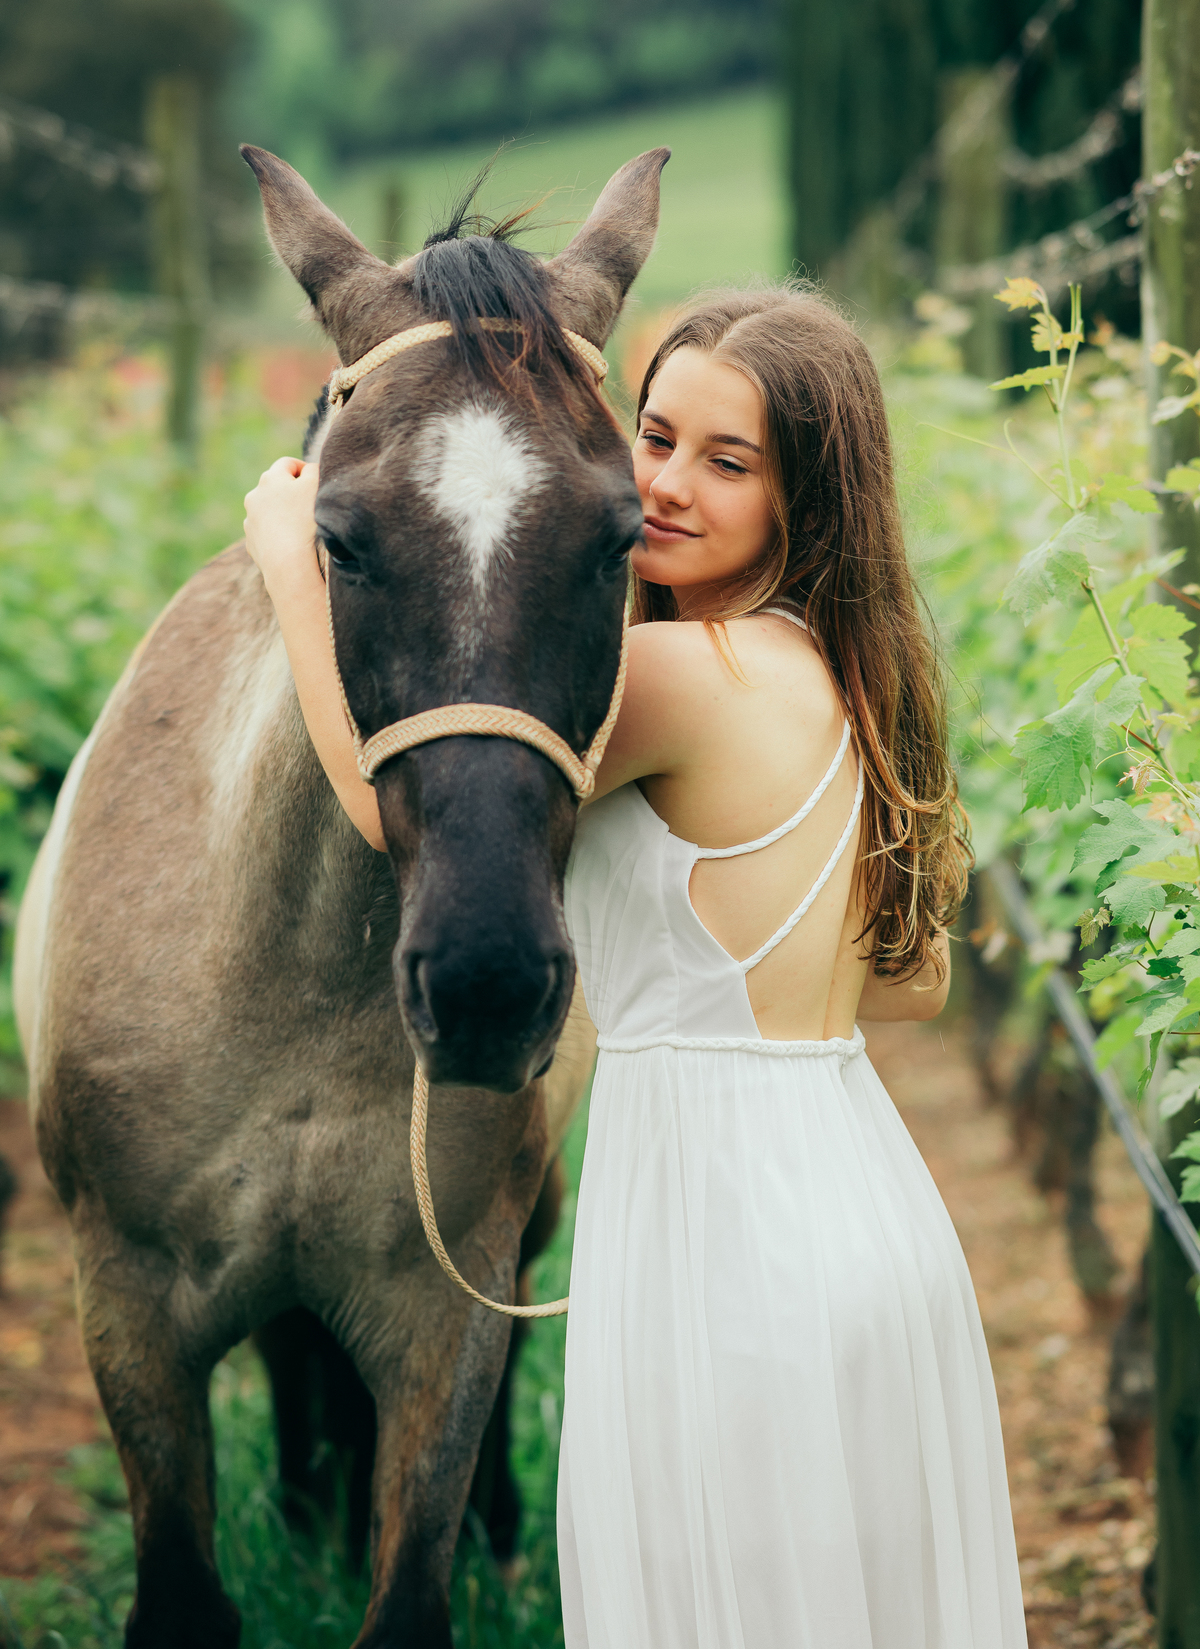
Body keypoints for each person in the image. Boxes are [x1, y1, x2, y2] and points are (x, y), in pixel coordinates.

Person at [244, 285, 1027, 1649]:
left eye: (728, 463)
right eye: (654, 438)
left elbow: (396, 810)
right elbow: (913, 987)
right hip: (865, 1210)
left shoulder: (668, 676)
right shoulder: (843, 673)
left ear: (808, 500)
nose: (666, 485)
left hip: (724, 1245)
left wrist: (291, 571)